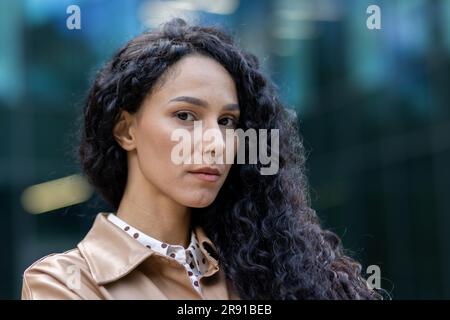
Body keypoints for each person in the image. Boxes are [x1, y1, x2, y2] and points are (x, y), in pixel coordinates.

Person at [21, 18, 380, 300]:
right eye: (186, 116)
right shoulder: (66, 283)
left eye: (227, 122)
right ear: (126, 131)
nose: (216, 143)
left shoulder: (265, 266)